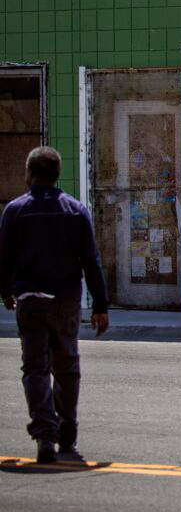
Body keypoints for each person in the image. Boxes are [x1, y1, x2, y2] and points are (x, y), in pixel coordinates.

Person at [0, 146, 109, 464]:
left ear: (30, 173)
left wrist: (5, 292)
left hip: (31, 301)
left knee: (35, 368)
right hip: (65, 302)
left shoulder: (15, 210)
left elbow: (4, 259)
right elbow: (91, 260)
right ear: (56, 174)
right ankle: (67, 437)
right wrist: (101, 305)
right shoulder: (75, 210)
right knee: (67, 368)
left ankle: (44, 436)